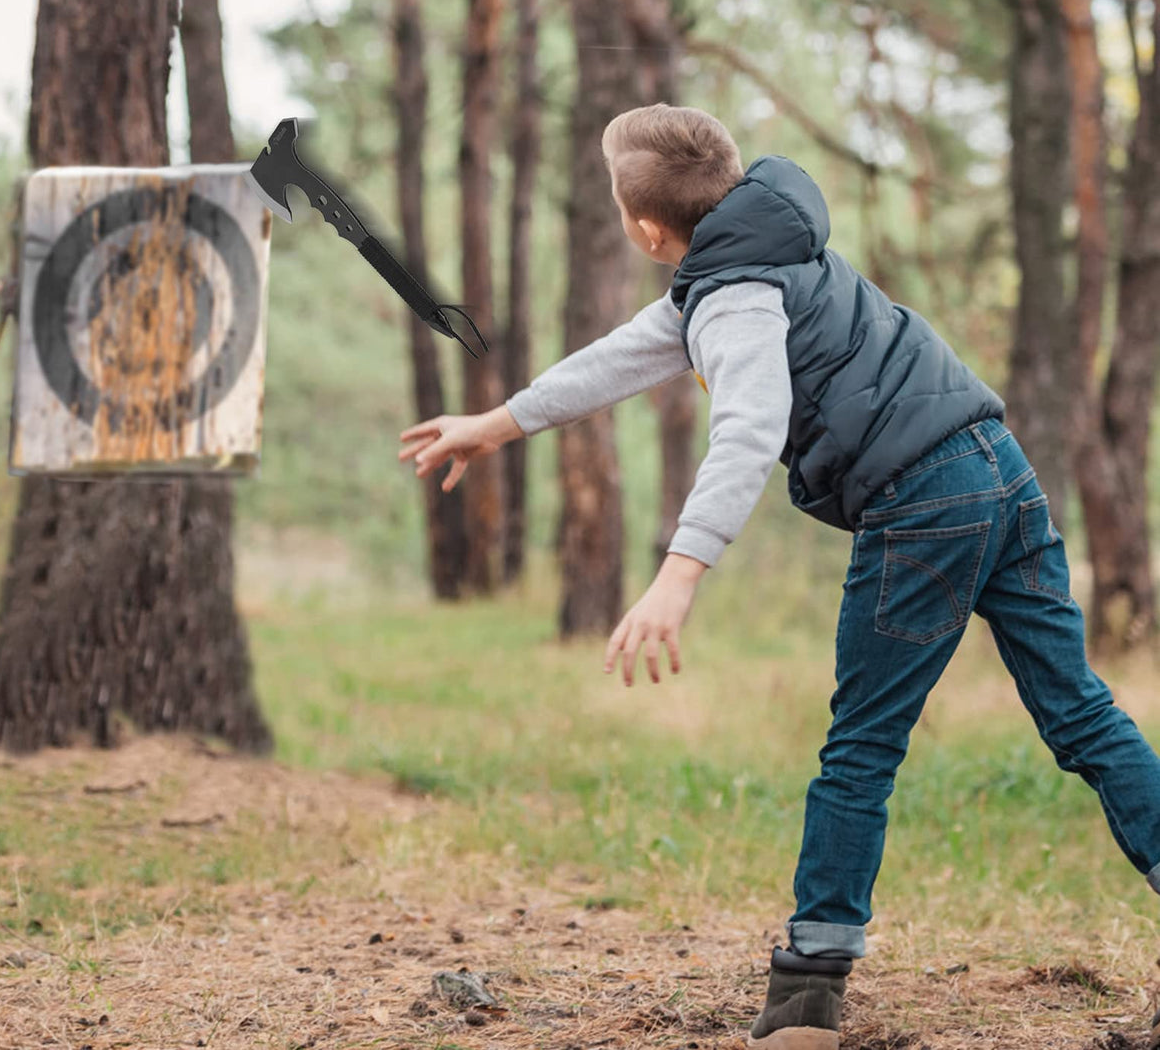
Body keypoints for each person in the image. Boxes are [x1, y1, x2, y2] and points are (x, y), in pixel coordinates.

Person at [397, 103, 1160, 1050]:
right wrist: (497, 422)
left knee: (862, 747)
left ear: (645, 228)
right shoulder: (757, 254)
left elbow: (750, 428)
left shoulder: (735, 297)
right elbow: (618, 359)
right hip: (997, 466)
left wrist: (680, 572)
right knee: (1081, 713)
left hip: (924, 502)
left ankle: (807, 993)